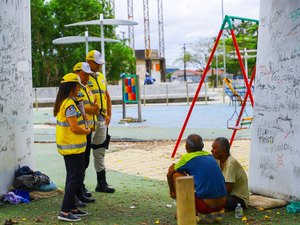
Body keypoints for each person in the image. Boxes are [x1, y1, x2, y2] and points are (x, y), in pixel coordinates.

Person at [54, 73, 91, 222]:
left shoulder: (66, 102)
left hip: (72, 147)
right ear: (72, 87)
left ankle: (72, 208)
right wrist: (87, 131)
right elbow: (75, 127)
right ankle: (64, 211)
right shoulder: (69, 104)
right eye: (78, 87)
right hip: (72, 147)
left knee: (73, 177)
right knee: (75, 178)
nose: (79, 90)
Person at [167, 134, 227, 214]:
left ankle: (184, 210)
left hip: (205, 206)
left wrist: (172, 190)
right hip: (222, 204)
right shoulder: (210, 155)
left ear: (186, 147)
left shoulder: (187, 157)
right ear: (202, 146)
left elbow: (171, 172)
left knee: (175, 173)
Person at [86, 50, 115, 193]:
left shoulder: (101, 77)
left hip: (102, 119)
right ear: (89, 62)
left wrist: (109, 115)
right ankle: (80, 186)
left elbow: (107, 96)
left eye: (100, 64)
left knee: (100, 151)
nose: (99, 66)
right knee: (84, 154)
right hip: (89, 121)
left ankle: (101, 183)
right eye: (97, 64)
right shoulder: (83, 77)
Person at [73, 62, 98, 204]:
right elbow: (74, 108)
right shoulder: (71, 88)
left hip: (86, 129)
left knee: (85, 161)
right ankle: (75, 194)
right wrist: (91, 110)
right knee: (76, 166)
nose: (87, 77)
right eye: (85, 74)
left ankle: (79, 190)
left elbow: (85, 106)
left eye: (89, 75)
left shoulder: (85, 88)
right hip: (76, 132)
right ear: (76, 73)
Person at [211, 137, 249, 210]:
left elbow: (226, 191)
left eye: (214, 148)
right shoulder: (218, 160)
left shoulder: (230, 164)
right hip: (228, 196)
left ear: (223, 151)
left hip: (239, 200)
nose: (211, 151)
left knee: (211, 200)